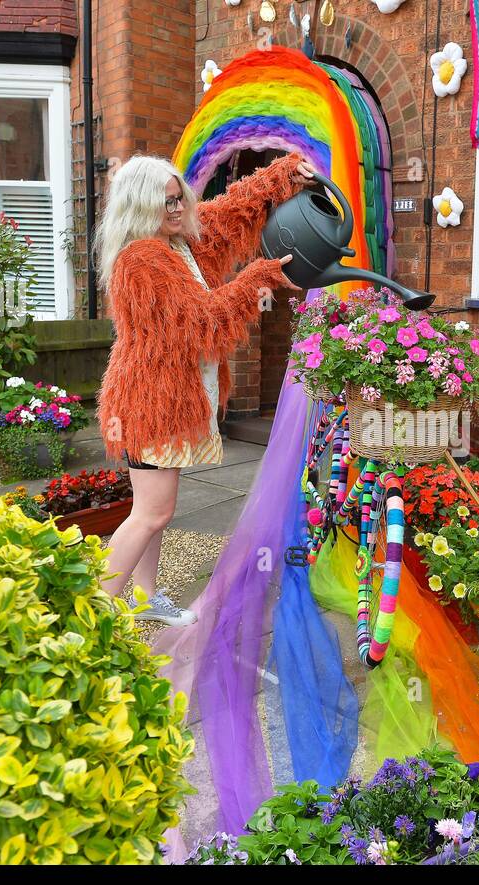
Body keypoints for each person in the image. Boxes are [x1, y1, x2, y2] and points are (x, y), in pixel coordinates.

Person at [94, 152, 314, 624]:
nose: (176, 210)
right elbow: (203, 324)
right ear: (138, 207)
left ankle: (146, 599)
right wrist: (261, 277)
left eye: (179, 199)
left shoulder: (181, 241)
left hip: (161, 401)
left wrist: (285, 173)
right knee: (153, 512)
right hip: (149, 403)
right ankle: (90, 615)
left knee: (151, 510)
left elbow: (236, 209)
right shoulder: (139, 260)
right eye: (164, 203)